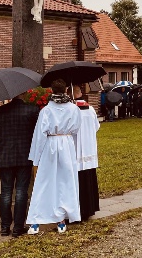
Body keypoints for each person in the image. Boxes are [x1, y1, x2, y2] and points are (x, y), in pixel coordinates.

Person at [26, 79, 82, 235]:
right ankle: (61, 220)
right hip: (67, 144)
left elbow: (39, 135)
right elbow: (77, 129)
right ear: (65, 91)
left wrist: (36, 159)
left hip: (50, 144)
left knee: (45, 181)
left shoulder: (46, 111)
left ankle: (36, 221)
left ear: (51, 91)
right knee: (65, 182)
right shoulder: (73, 109)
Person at [0, 92, 39, 237]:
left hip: (5, 156)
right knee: (21, 192)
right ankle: (18, 227)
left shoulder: (1, 110)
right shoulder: (32, 110)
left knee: (5, 192)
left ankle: (4, 227)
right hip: (24, 156)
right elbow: (38, 132)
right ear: (23, 93)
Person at [70, 86, 100, 221]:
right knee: (89, 178)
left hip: (76, 149)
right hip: (89, 148)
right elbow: (97, 127)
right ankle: (90, 208)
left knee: (78, 180)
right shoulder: (91, 109)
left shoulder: (71, 109)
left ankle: (79, 209)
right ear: (81, 94)